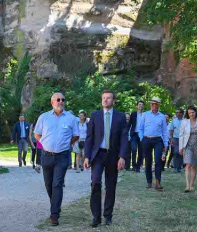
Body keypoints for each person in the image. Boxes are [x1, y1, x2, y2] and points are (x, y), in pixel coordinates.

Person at [34, 93, 79, 226]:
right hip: (46, 155)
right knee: (48, 184)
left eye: (63, 100)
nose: (61, 102)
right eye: (58, 100)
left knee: (57, 183)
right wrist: (45, 143)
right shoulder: (44, 117)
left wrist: (66, 144)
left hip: (62, 156)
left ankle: (54, 214)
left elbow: (76, 136)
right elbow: (36, 134)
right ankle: (56, 205)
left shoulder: (71, 118)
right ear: (52, 102)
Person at [84, 90, 127, 227]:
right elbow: (89, 138)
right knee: (95, 183)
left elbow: (124, 138)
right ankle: (96, 217)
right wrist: (86, 156)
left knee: (110, 186)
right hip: (97, 155)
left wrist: (122, 157)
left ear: (114, 101)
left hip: (113, 156)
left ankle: (108, 215)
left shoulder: (120, 117)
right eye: (103, 98)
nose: (105, 100)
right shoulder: (95, 116)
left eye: (108, 98)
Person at [138, 97, 168, 190]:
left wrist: (166, 143)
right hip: (146, 139)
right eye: (151, 104)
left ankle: (158, 182)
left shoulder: (162, 116)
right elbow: (140, 128)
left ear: (158, 105)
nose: (153, 105)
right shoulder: (145, 115)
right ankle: (149, 181)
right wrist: (142, 138)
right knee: (148, 161)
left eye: (155, 104)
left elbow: (165, 131)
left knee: (158, 160)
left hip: (158, 140)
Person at [179, 106, 197, 192]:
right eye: (189, 113)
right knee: (188, 164)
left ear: (195, 112)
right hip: (187, 145)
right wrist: (181, 147)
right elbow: (181, 135)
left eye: (193, 112)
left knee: (194, 165)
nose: (191, 114)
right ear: (187, 114)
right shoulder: (185, 122)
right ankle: (187, 186)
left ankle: (192, 185)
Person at [127, 101, 144, 172]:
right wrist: (127, 134)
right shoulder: (133, 114)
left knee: (141, 151)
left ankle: (138, 166)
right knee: (133, 149)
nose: (140, 106)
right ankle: (133, 165)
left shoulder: (145, 115)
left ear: (143, 106)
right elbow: (129, 124)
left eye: (142, 105)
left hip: (141, 135)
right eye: (139, 105)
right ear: (137, 106)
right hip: (134, 134)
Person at [169, 108, 184, 173]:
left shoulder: (185, 121)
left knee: (181, 153)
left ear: (181, 113)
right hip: (175, 138)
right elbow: (171, 130)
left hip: (183, 138)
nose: (177, 113)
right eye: (176, 112)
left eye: (178, 112)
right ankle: (175, 167)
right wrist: (171, 139)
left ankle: (179, 167)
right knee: (175, 152)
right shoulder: (174, 121)